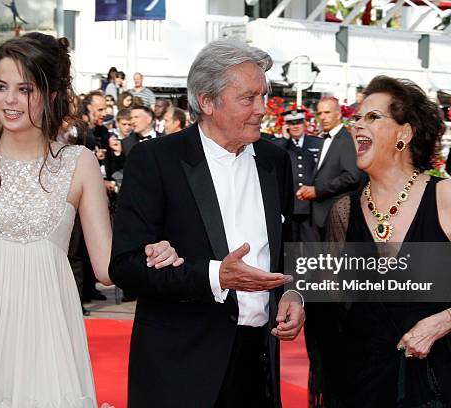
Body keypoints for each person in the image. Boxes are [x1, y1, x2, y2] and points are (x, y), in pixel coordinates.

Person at [0, 32, 179, 406]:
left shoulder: (79, 164)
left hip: (47, 340)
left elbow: (107, 268)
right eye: (1, 86)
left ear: (52, 94)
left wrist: (150, 253)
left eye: (25, 89)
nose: (9, 100)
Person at [110, 39, 306, 408]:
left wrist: (293, 294)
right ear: (207, 101)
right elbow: (125, 266)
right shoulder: (156, 160)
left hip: (259, 362)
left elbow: (286, 247)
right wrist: (216, 276)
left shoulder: (273, 160)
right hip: (182, 366)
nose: (262, 109)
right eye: (248, 98)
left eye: (264, 96)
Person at [314, 75, 451, 407]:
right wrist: (295, 293)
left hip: (437, 374)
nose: (357, 126)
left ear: (404, 133)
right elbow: (329, 293)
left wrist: (443, 321)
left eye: (372, 117)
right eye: (357, 117)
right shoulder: (344, 210)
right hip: (363, 374)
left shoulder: (446, 196)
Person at [295, 97, 362, 239]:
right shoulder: (327, 138)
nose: (323, 117)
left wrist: (317, 191)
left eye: (327, 112)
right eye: (320, 113)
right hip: (320, 214)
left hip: (334, 213)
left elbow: (352, 176)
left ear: (338, 114)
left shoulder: (345, 140)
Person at [272, 108, 322, 242]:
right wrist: (284, 139)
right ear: (286, 125)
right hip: (290, 205)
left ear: (305, 123)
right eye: (291, 123)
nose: (295, 126)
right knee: (290, 248)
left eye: (298, 122)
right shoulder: (280, 145)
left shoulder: (317, 143)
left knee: (311, 247)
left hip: (311, 205)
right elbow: (273, 161)